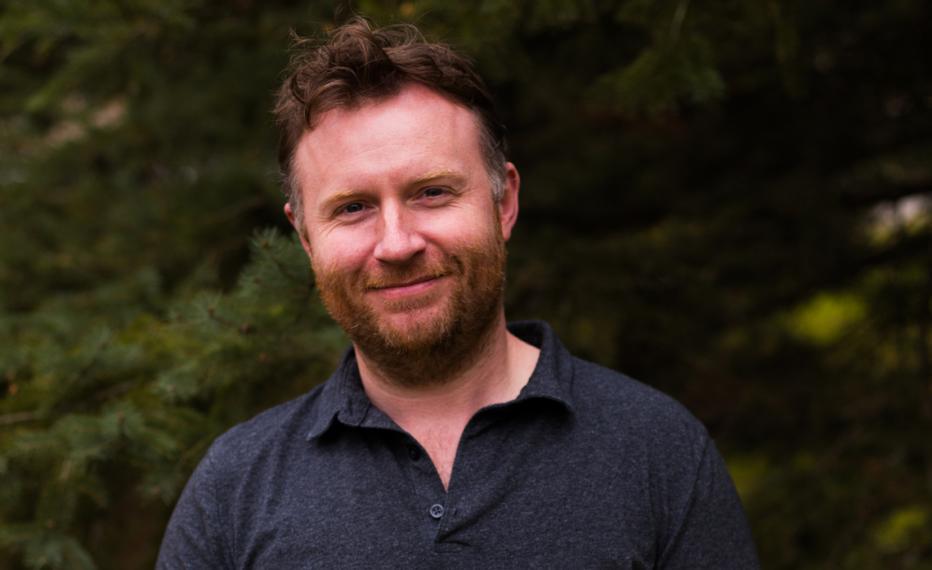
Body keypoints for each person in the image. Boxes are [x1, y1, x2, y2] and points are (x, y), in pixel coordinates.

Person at [157, 17, 759, 569]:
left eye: (432, 192)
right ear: (306, 237)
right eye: (353, 207)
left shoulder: (657, 451)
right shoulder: (234, 490)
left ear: (504, 202)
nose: (396, 243)